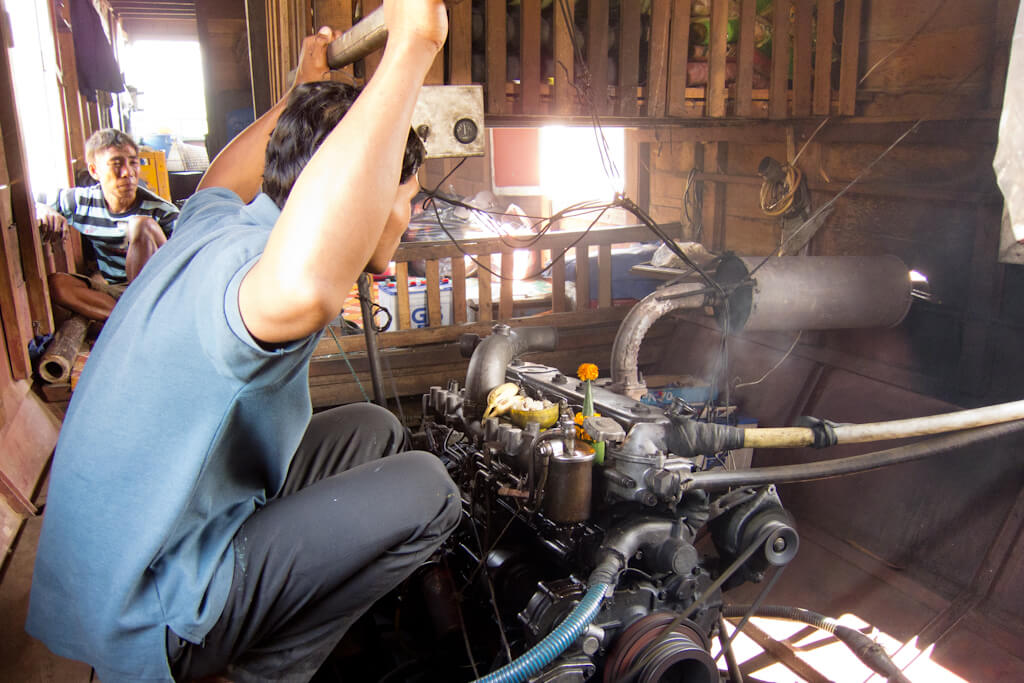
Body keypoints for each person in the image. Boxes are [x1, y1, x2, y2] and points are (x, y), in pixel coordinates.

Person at [26, 2, 459, 681]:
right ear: (364, 194)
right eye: (404, 196)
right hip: (148, 601)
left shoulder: (221, 220)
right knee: (431, 489)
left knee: (372, 431)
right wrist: (412, 49)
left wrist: (299, 95)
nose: (407, 214)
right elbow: (309, 288)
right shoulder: (260, 282)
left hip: (119, 555)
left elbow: (223, 174)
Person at [38, 128, 178, 321]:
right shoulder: (82, 202)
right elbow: (32, 200)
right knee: (57, 284)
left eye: (133, 163)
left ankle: (142, 315)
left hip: (161, 291)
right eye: (116, 164)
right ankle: (131, 319)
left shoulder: (161, 211)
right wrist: (43, 210)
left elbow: (191, 256)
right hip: (116, 291)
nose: (127, 172)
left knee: (140, 225)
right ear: (95, 170)